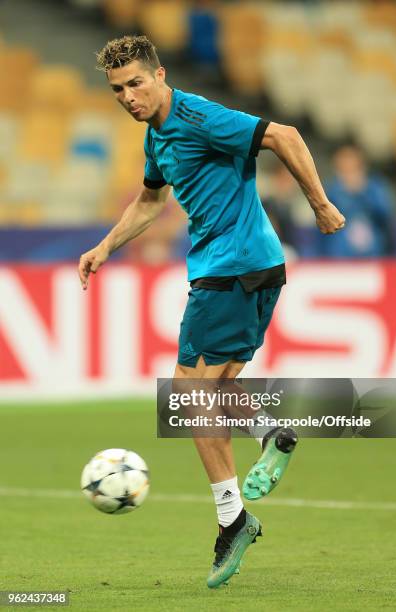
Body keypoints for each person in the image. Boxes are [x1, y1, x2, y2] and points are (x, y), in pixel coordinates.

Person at [77, 35, 345, 589]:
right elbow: (151, 200)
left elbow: (283, 135)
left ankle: (233, 518)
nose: (128, 96)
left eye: (136, 83)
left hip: (232, 268)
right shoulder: (157, 138)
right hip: (246, 269)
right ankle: (274, 434)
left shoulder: (198, 117)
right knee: (216, 386)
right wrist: (105, 247)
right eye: (118, 89)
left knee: (188, 395)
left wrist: (319, 204)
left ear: (160, 74)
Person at [316, 144, 394, 258]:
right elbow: (323, 222)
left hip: (373, 253)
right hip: (339, 255)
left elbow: (385, 214)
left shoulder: (374, 187)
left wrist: (363, 191)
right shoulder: (330, 190)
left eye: (352, 165)